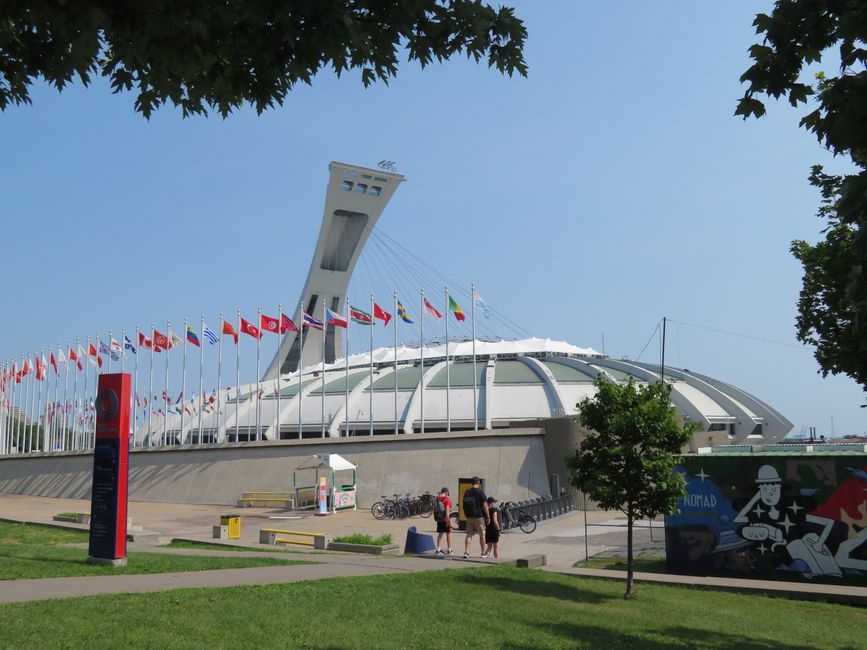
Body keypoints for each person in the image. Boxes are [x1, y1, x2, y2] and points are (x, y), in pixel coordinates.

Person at [462, 476, 489, 558]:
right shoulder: (481, 492)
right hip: (479, 517)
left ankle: (466, 552)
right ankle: (483, 553)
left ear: (472, 483)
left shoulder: (467, 492)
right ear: (478, 483)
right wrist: (488, 516)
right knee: (482, 535)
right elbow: (485, 506)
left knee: (469, 534)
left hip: (469, 516)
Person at [434, 487, 454, 556]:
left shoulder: (437, 499)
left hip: (439, 518)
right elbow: (447, 509)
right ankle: (449, 550)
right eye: (448, 493)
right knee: (448, 534)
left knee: (440, 533)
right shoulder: (446, 499)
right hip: (445, 519)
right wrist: (447, 518)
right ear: (446, 492)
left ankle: (438, 549)